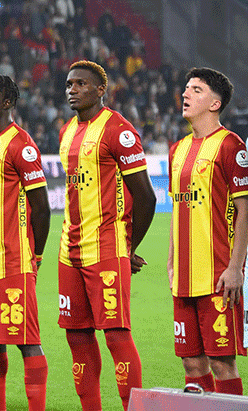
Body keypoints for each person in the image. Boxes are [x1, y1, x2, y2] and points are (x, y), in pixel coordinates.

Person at [58, 60, 156, 411]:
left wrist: (128, 247)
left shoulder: (119, 130)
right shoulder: (67, 130)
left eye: (81, 84)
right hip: (69, 251)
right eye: (69, 84)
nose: (73, 90)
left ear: (101, 90)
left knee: (116, 336)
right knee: (77, 337)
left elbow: (146, 197)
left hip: (106, 248)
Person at [0, 75, 50, 410]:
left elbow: (42, 208)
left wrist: (36, 255)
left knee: (26, 342)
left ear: (7, 103)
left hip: (12, 263)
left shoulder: (21, 145)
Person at [168, 67, 247, 395]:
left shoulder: (231, 146)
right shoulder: (177, 150)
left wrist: (235, 267)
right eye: (186, 88)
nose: (185, 94)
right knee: (191, 363)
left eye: (196, 90)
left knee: (221, 363)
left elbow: (245, 210)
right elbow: (178, 209)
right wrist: (171, 262)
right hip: (184, 278)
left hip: (218, 276)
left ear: (215, 104)